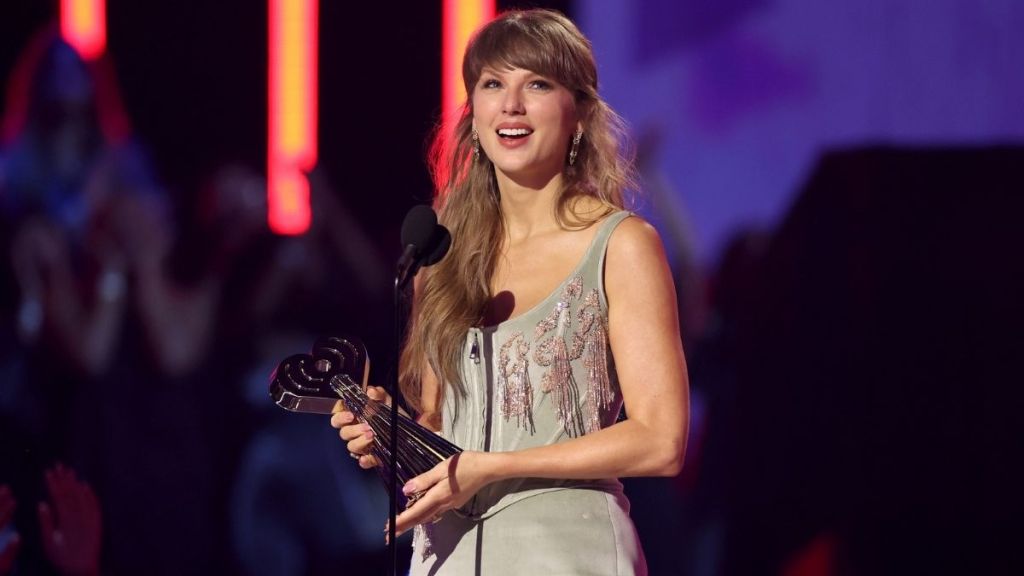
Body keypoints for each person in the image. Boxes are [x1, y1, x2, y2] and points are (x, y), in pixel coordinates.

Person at [331, 9, 689, 574]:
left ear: (579, 115)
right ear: (473, 114)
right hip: (447, 555)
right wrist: (388, 431)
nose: (511, 105)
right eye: (493, 84)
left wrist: (490, 467)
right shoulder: (440, 258)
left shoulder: (621, 245)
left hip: (567, 552)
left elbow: (661, 440)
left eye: (537, 84)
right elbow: (444, 431)